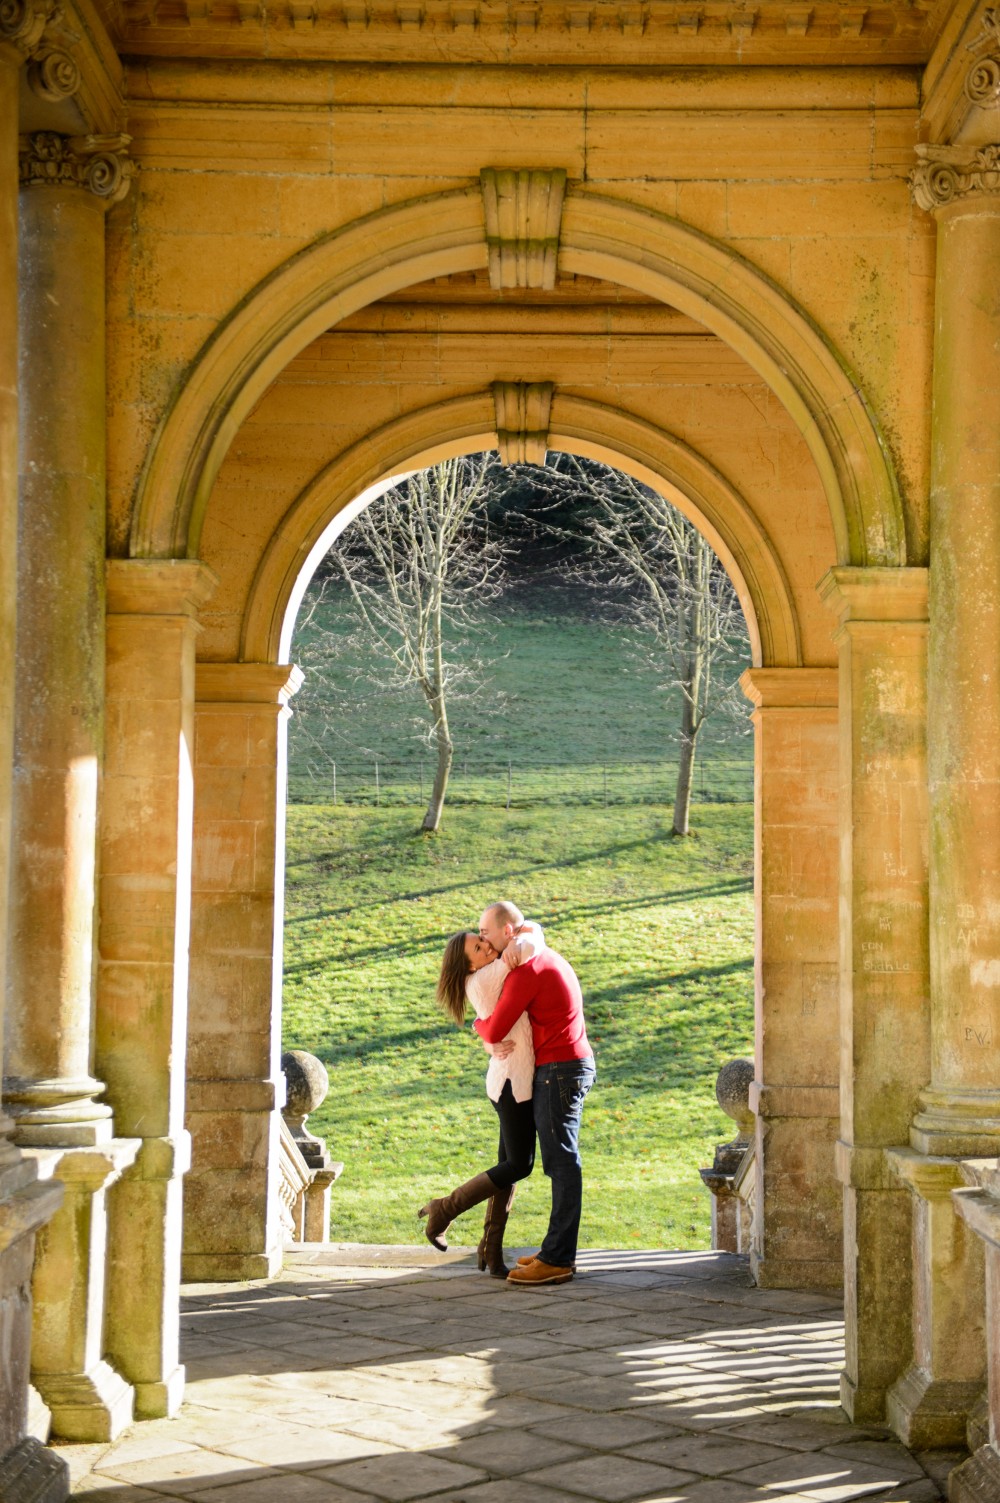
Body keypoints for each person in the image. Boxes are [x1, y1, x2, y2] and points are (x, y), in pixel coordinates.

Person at [474, 900, 595, 1287]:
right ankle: (553, 1252)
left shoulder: (525, 967)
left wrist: (476, 1024)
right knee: (557, 1161)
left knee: (561, 1162)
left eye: (485, 933)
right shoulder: (534, 950)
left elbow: (494, 1031)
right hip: (562, 1066)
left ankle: (558, 1258)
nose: (481, 938)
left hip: (560, 1069)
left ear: (508, 931)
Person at [419, 922, 542, 1275]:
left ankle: (491, 1249)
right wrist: (527, 930)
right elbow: (527, 948)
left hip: (508, 1079)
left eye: (484, 941)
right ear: (469, 965)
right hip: (511, 1083)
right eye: (479, 947)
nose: (488, 947)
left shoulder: (481, 974)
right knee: (519, 1165)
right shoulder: (487, 976)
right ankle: (445, 1208)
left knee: (508, 1168)